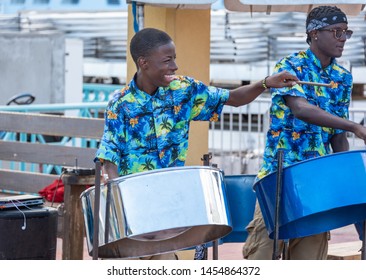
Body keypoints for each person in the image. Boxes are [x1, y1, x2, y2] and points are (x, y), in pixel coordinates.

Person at [95, 27, 298, 260]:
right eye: (167, 60)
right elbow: (109, 155)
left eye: (175, 59)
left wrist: (266, 83)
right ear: (144, 63)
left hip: (167, 206)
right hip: (133, 207)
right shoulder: (121, 104)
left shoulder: (183, 91)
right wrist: (114, 194)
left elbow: (233, 98)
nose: (174, 66)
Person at [242, 5, 366, 260]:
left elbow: (337, 135)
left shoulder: (342, 78)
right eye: (337, 32)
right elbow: (301, 109)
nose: (343, 39)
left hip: (316, 181)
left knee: (308, 262)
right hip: (280, 175)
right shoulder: (290, 66)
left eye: (346, 32)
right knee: (261, 257)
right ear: (315, 33)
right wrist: (355, 126)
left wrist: (345, 180)